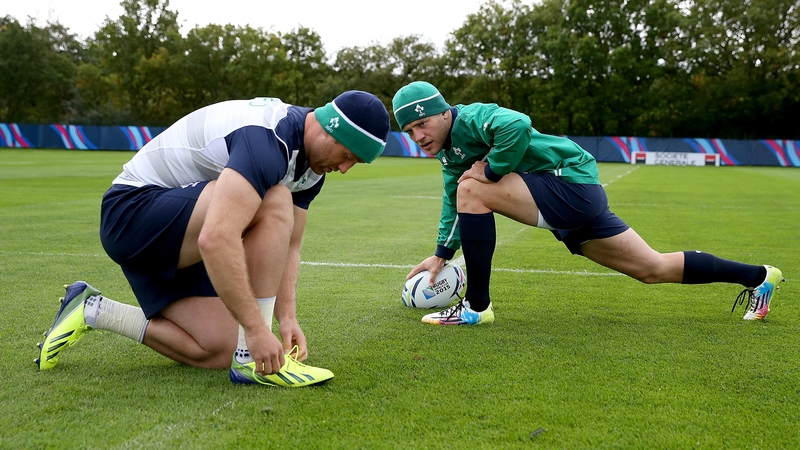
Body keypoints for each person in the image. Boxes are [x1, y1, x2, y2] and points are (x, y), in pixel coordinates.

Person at [36, 91, 391, 387]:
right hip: (131, 214)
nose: (345, 168)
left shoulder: (311, 170)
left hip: (182, 228)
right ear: (330, 130)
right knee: (275, 198)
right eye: (348, 155)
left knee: (220, 348)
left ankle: (94, 309)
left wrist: (287, 318)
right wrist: (256, 330)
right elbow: (217, 238)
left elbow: (290, 245)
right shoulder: (268, 137)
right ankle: (249, 359)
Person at [392, 81, 784, 326]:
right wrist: (442, 254)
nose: (418, 136)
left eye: (422, 124)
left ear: (443, 112)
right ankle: (760, 277)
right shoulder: (449, 154)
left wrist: (491, 171)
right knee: (653, 268)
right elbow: (453, 201)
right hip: (573, 201)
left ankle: (476, 308)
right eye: (410, 131)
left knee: (472, 187)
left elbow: (517, 125)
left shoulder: (472, 118)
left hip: (571, 185)